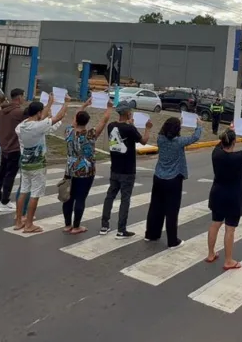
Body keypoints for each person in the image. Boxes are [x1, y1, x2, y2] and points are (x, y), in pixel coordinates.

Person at [13, 94, 73, 233]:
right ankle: (29, 224)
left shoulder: (22, 125)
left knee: (23, 191)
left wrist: (49, 103)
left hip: (25, 162)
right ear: (39, 113)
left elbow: (41, 118)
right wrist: (66, 103)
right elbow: (58, 117)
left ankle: (18, 221)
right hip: (37, 164)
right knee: (35, 194)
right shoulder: (38, 126)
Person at [205, 127, 242, 269]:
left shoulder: (216, 153)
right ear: (234, 142)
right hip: (233, 197)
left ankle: (211, 254)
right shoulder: (237, 158)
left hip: (217, 193)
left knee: (215, 224)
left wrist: (228, 130)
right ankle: (228, 260)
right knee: (230, 229)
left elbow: (220, 144)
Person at [145, 116, 203, 248]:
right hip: (173, 179)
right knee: (171, 210)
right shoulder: (179, 142)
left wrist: (177, 123)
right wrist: (199, 125)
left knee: (155, 207)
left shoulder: (160, 139)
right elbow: (195, 137)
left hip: (159, 177)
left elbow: (168, 131)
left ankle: (151, 234)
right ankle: (172, 240)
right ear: (177, 130)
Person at [100, 107, 153, 238]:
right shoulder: (130, 129)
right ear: (128, 113)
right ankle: (121, 229)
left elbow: (124, 133)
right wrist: (147, 128)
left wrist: (131, 125)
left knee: (110, 196)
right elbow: (143, 141)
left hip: (115, 168)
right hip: (128, 170)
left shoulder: (111, 126)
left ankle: (104, 225)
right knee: (125, 199)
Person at [63, 99, 113, 234]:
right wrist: (109, 108)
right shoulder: (90, 134)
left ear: (76, 120)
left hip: (70, 168)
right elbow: (103, 121)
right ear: (87, 121)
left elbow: (75, 117)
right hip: (86, 170)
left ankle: (67, 225)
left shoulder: (69, 132)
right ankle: (76, 226)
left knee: (68, 197)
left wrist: (84, 105)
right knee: (80, 198)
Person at [0, 88, 28, 212]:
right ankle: (5, 201)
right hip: (14, 147)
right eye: (23, 96)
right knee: (10, 175)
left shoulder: (2, 111)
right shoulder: (18, 112)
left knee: (1, 173)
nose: (24, 99)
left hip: (4, 146)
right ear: (19, 97)